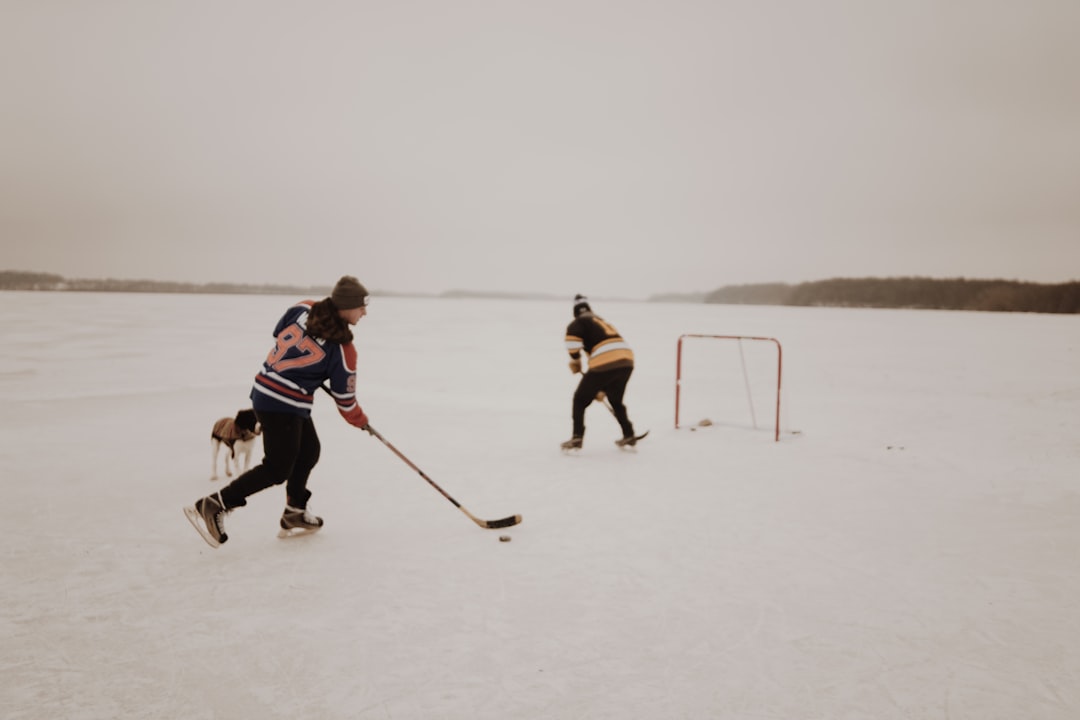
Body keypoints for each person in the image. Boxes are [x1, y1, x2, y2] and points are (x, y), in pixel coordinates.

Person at [185, 276, 372, 547]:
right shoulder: (343, 350)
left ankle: (294, 512)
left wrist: (305, 368)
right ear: (345, 307)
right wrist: (362, 422)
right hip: (283, 405)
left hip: (264, 392)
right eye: (361, 307)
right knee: (276, 467)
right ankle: (214, 504)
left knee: (308, 451)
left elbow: (278, 334)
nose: (364, 312)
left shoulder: (303, 307)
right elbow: (345, 401)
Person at [561, 294, 638, 450]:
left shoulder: (579, 321)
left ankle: (577, 437)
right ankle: (629, 433)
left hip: (605, 362)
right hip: (626, 361)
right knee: (615, 400)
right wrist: (600, 388)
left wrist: (575, 360)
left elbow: (572, 339)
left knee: (580, 400)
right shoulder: (601, 322)